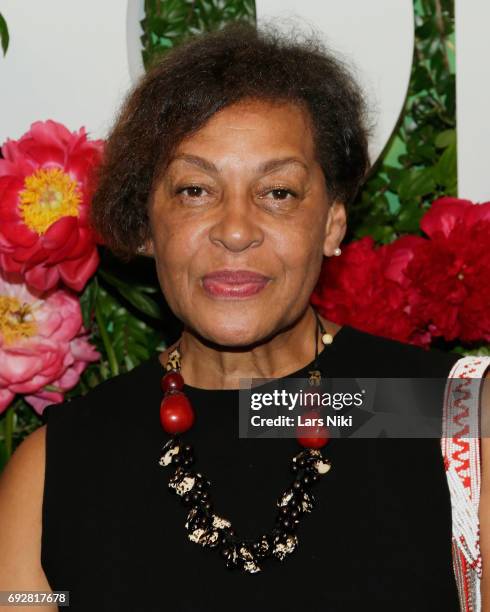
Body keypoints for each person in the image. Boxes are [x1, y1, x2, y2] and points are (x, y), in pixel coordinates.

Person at [1, 21, 489, 612]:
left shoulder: (446, 420)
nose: (235, 230)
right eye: (195, 191)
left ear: (332, 223)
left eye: (278, 192)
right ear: (145, 224)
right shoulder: (57, 470)